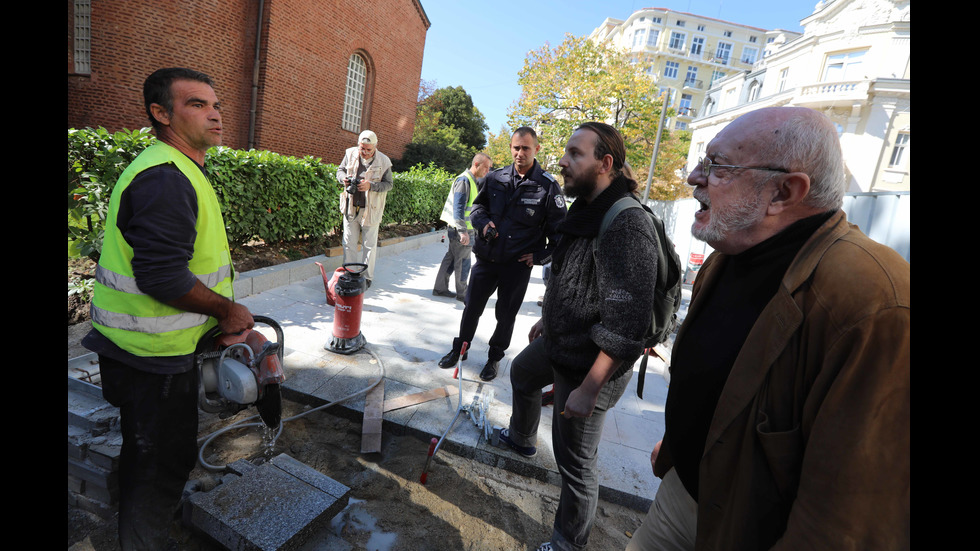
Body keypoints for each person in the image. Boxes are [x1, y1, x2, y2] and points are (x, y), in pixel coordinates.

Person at [626, 107, 910, 550]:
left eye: (717, 165)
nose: (694, 177)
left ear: (783, 192)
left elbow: (849, 514)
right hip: (683, 495)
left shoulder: (875, 301)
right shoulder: (731, 251)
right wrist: (683, 440)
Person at [83, 68, 254, 549]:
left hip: (151, 349)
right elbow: (163, 278)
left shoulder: (177, 169)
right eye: (197, 104)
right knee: (155, 466)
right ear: (161, 114)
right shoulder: (165, 178)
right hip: (147, 358)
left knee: (158, 456)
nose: (215, 113)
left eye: (215, 104)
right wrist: (227, 311)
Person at [498, 123, 658, 551]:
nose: (563, 162)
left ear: (605, 164)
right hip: (560, 343)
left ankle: (568, 543)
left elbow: (628, 326)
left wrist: (589, 389)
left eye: (575, 154)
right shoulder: (586, 210)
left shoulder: (627, 224)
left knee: (576, 463)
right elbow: (574, 276)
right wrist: (550, 321)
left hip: (591, 366)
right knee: (522, 374)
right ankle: (522, 438)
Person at [437, 127, 566, 381]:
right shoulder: (495, 178)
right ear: (511, 148)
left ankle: (494, 358)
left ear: (536, 149)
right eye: (516, 147)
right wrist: (483, 223)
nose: (520, 153)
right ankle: (459, 349)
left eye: (526, 148)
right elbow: (477, 208)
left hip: (516, 267)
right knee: (471, 307)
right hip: (487, 259)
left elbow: (560, 235)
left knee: (506, 315)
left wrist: (539, 257)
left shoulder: (547, 186)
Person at [336, 130, 393, 287]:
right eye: (362, 148)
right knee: (349, 242)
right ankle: (350, 273)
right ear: (358, 145)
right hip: (350, 207)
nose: (365, 152)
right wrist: (344, 179)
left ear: (375, 146)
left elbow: (389, 184)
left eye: (369, 149)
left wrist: (371, 185)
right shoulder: (349, 154)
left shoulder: (384, 161)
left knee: (369, 245)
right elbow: (339, 171)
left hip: (371, 209)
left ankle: (367, 278)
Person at [432, 152, 493, 301]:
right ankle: (464, 294)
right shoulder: (465, 181)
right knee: (464, 262)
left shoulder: (469, 180)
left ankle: (440, 288)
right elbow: (458, 209)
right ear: (476, 165)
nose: (488, 171)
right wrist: (463, 232)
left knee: (452, 259)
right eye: (486, 167)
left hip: (458, 229)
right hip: (461, 230)